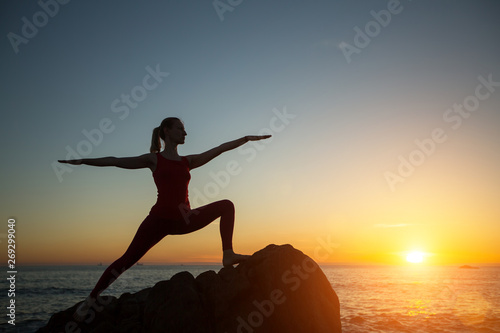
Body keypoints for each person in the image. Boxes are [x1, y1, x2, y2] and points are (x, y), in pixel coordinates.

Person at [58, 117, 271, 322]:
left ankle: (228, 255)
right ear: (167, 131)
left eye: (184, 129)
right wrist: (83, 161)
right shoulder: (154, 159)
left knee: (227, 205)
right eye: (180, 128)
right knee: (125, 261)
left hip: (184, 219)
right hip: (157, 221)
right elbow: (115, 161)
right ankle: (91, 298)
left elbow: (219, 149)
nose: (185, 132)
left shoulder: (188, 161)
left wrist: (245, 139)